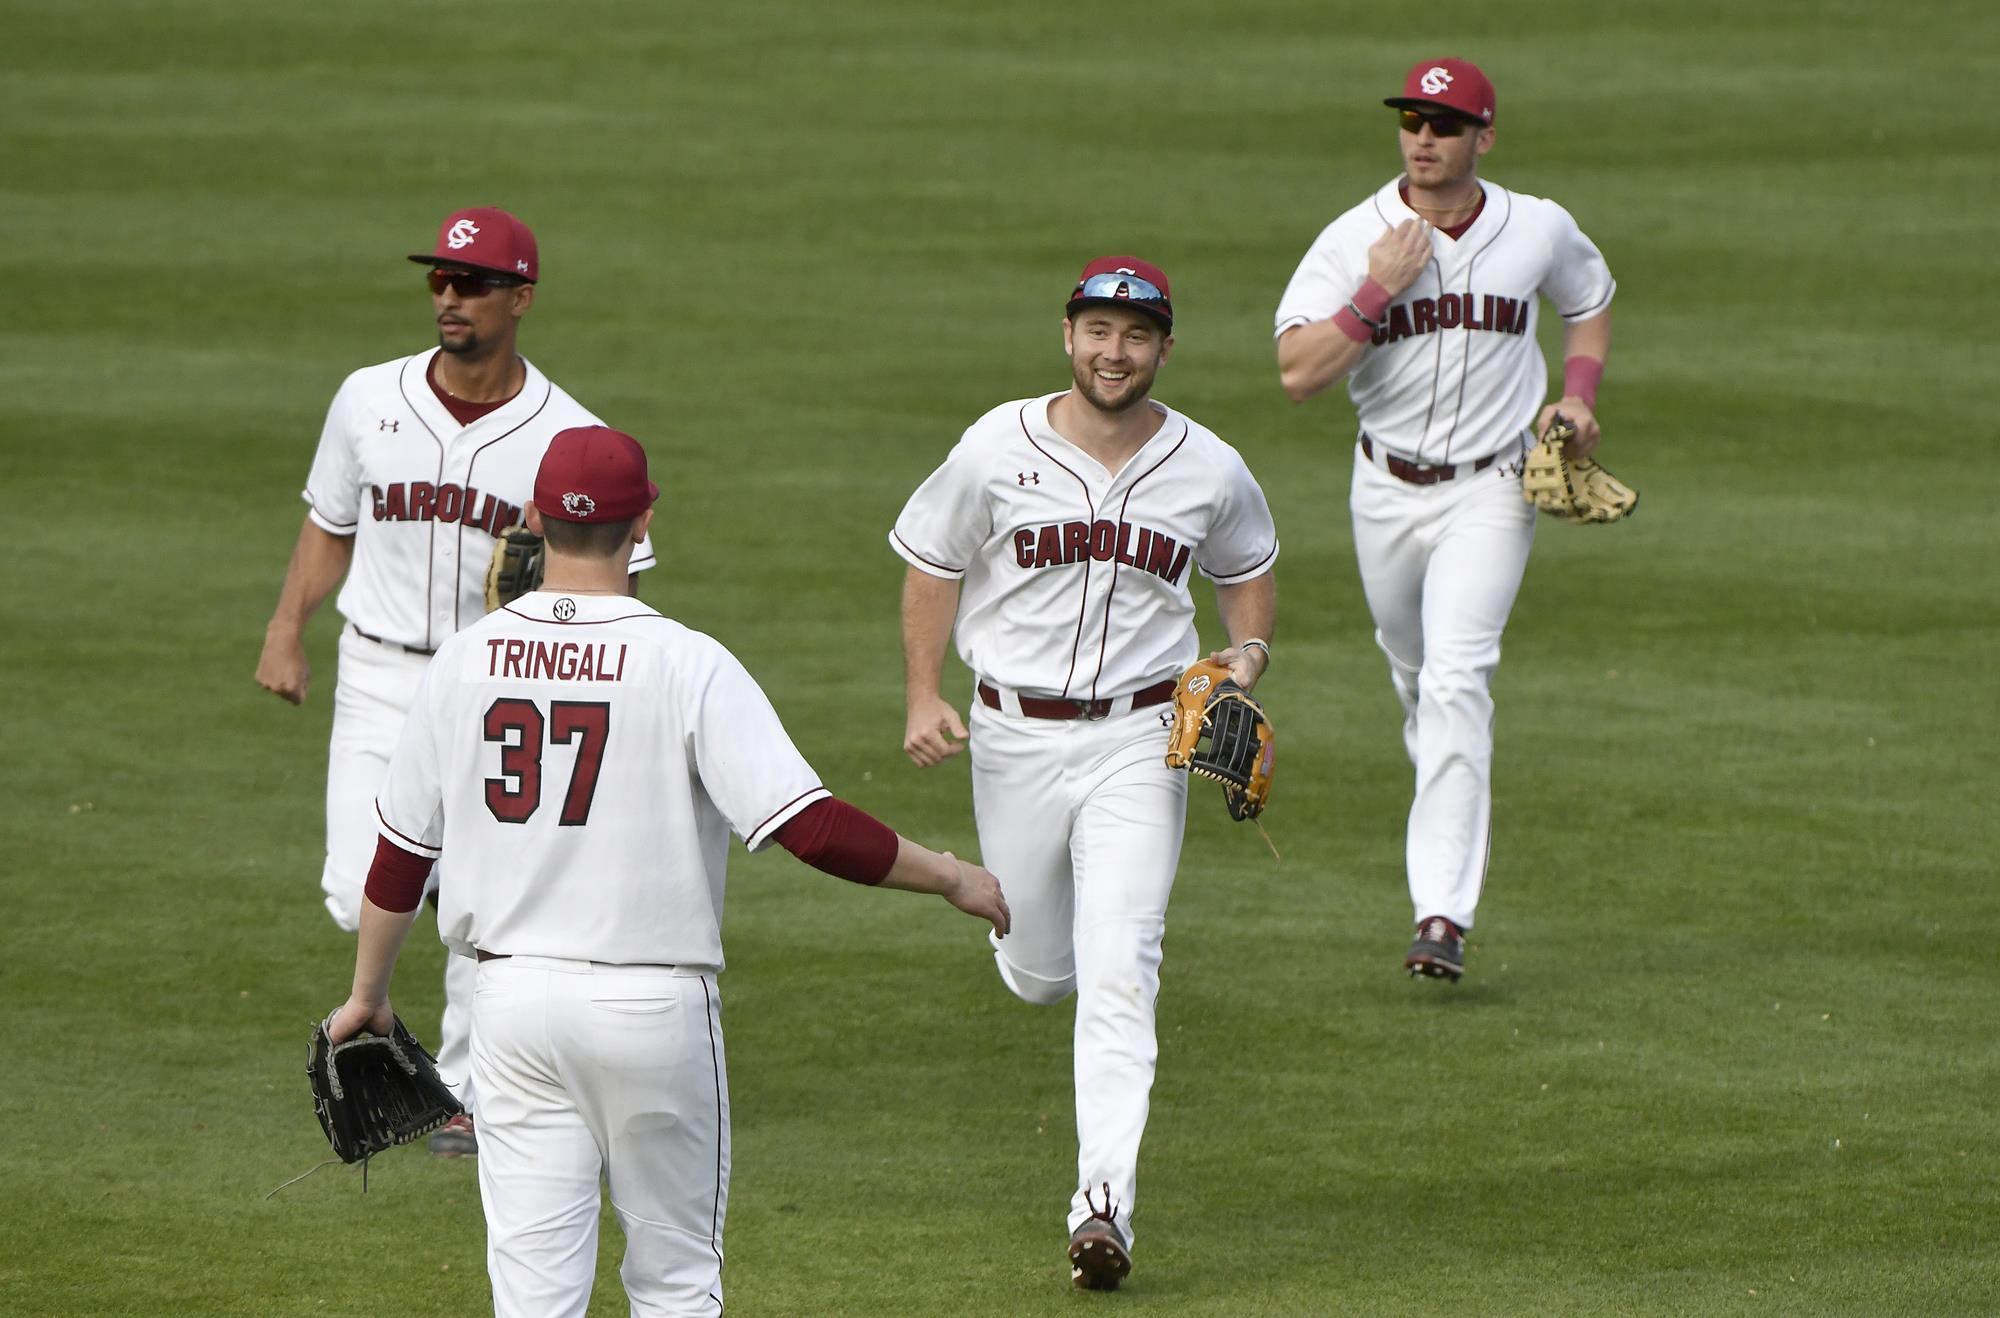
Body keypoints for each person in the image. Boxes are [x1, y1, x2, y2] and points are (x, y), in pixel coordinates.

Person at [324, 425, 1009, 1318]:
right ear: (643, 519)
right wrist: (952, 876)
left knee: (533, 1295)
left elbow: (401, 854)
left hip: (511, 1007)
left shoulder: (464, 659)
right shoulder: (686, 660)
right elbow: (810, 826)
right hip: (651, 1008)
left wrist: (369, 991)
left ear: (533, 516)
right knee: (676, 1281)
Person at [892, 257, 1279, 1291]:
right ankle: (1020, 941)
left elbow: (1245, 572)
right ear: (1067, 335)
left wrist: (1244, 660)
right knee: (1039, 971)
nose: (1115, 352)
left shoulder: (1208, 465)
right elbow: (930, 560)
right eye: (1098, 331)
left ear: (1163, 348)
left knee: (1122, 963)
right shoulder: (994, 446)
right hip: (1011, 734)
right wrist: (922, 694)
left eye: (1137, 334)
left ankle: (1101, 1201)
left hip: (1140, 742)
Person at [256, 207, 656, 1155]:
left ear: (520, 298)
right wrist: (285, 628)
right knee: (359, 890)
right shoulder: (366, 399)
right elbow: (330, 522)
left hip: (499, 687)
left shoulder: (571, 435)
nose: (449, 296)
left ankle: (471, 1091)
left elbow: (625, 575)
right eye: (439, 279)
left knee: (487, 897)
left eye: (471, 283)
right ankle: (441, 901)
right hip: (378, 672)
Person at [1273, 58, 1617, 982]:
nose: (1425, 139)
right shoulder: (1355, 240)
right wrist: (1374, 291)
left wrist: (1577, 399)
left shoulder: (1535, 227)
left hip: (1493, 489)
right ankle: (1443, 800)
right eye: (1412, 121)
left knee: (1460, 679)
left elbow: (1588, 301)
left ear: (1484, 137)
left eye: (1446, 123)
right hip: (1383, 491)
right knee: (1418, 680)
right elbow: (1299, 374)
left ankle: (1441, 914)